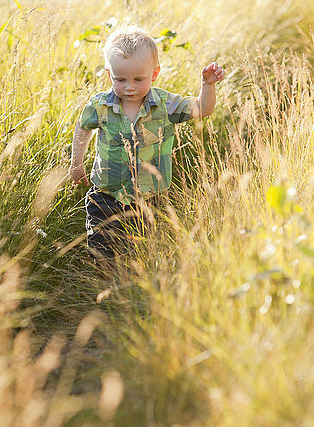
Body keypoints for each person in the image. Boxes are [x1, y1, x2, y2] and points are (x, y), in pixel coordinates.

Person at [69, 24, 224, 274]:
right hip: (106, 194)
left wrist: (208, 86)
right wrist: (77, 164)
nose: (129, 86)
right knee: (101, 248)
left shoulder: (165, 104)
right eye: (120, 79)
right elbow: (83, 128)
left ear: (154, 74)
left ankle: (137, 288)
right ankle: (105, 287)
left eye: (138, 79)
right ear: (109, 74)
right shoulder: (100, 105)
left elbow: (201, 110)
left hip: (150, 198)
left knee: (143, 250)